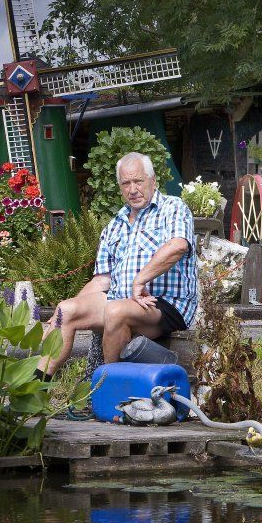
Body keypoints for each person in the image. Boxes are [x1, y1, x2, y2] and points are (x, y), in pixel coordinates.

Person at [36, 152, 197, 379]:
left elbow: (178, 245)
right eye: (126, 183)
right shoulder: (115, 225)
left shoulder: (172, 207)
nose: (132, 189)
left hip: (165, 304)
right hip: (122, 301)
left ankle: (110, 389)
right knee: (66, 310)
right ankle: (36, 387)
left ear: (153, 181)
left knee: (115, 311)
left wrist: (140, 280)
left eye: (138, 181)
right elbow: (102, 279)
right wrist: (59, 315)